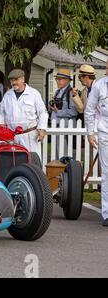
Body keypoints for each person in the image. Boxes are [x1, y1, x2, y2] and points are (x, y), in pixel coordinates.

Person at [0, 69, 48, 154]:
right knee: (13, 162)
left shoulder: (33, 93)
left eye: (16, 79)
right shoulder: (8, 95)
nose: (13, 82)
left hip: (30, 136)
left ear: (23, 79)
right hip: (12, 137)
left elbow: (43, 112)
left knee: (32, 162)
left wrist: (42, 130)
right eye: (11, 80)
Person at [85, 60, 108, 226]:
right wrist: (90, 133)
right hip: (105, 132)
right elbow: (90, 110)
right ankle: (107, 214)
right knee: (107, 173)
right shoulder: (99, 85)